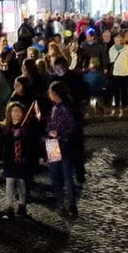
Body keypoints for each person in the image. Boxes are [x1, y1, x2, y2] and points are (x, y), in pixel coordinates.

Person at [44, 81, 80, 218]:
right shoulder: (56, 108)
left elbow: (71, 128)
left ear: (55, 93)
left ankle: (68, 204)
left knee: (63, 176)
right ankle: (65, 204)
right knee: (58, 176)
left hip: (60, 145)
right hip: (54, 144)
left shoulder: (64, 109)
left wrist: (57, 135)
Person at [0, 101, 34, 218]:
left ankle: (22, 204)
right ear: (9, 113)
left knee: (21, 182)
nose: (16, 113)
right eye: (13, 111)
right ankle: (9, 206)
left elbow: (30, 145)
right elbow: (1, 143)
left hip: (21, 160)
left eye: (18, 111)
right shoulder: (6, 128)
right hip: (9, 159)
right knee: (9, 181)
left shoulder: (26, 128)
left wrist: (22, 136)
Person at [108, 31, 128, 117]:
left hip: (125, 72)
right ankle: (116, 103)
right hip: (115, 72)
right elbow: (111, 60)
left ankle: (124, 104)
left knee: (124, 89)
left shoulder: (127, 48)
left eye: (120, 38)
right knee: (116, 90)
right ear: (114, 39)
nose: (118, 39)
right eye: (117, 38)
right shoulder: (111, 49)